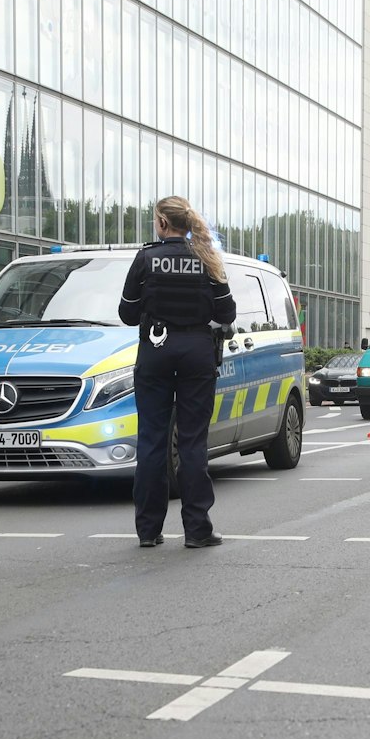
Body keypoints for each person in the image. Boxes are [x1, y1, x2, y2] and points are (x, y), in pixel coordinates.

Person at [118, 195, 237, 548]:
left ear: (162, 223)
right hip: (197, 354)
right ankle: (198, 530)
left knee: (152, 440)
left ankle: (149, 530)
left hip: (155, 351)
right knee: (192, 442)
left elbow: (126, 313)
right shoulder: (207, 258)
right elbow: (227, 313)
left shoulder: (146, 258)